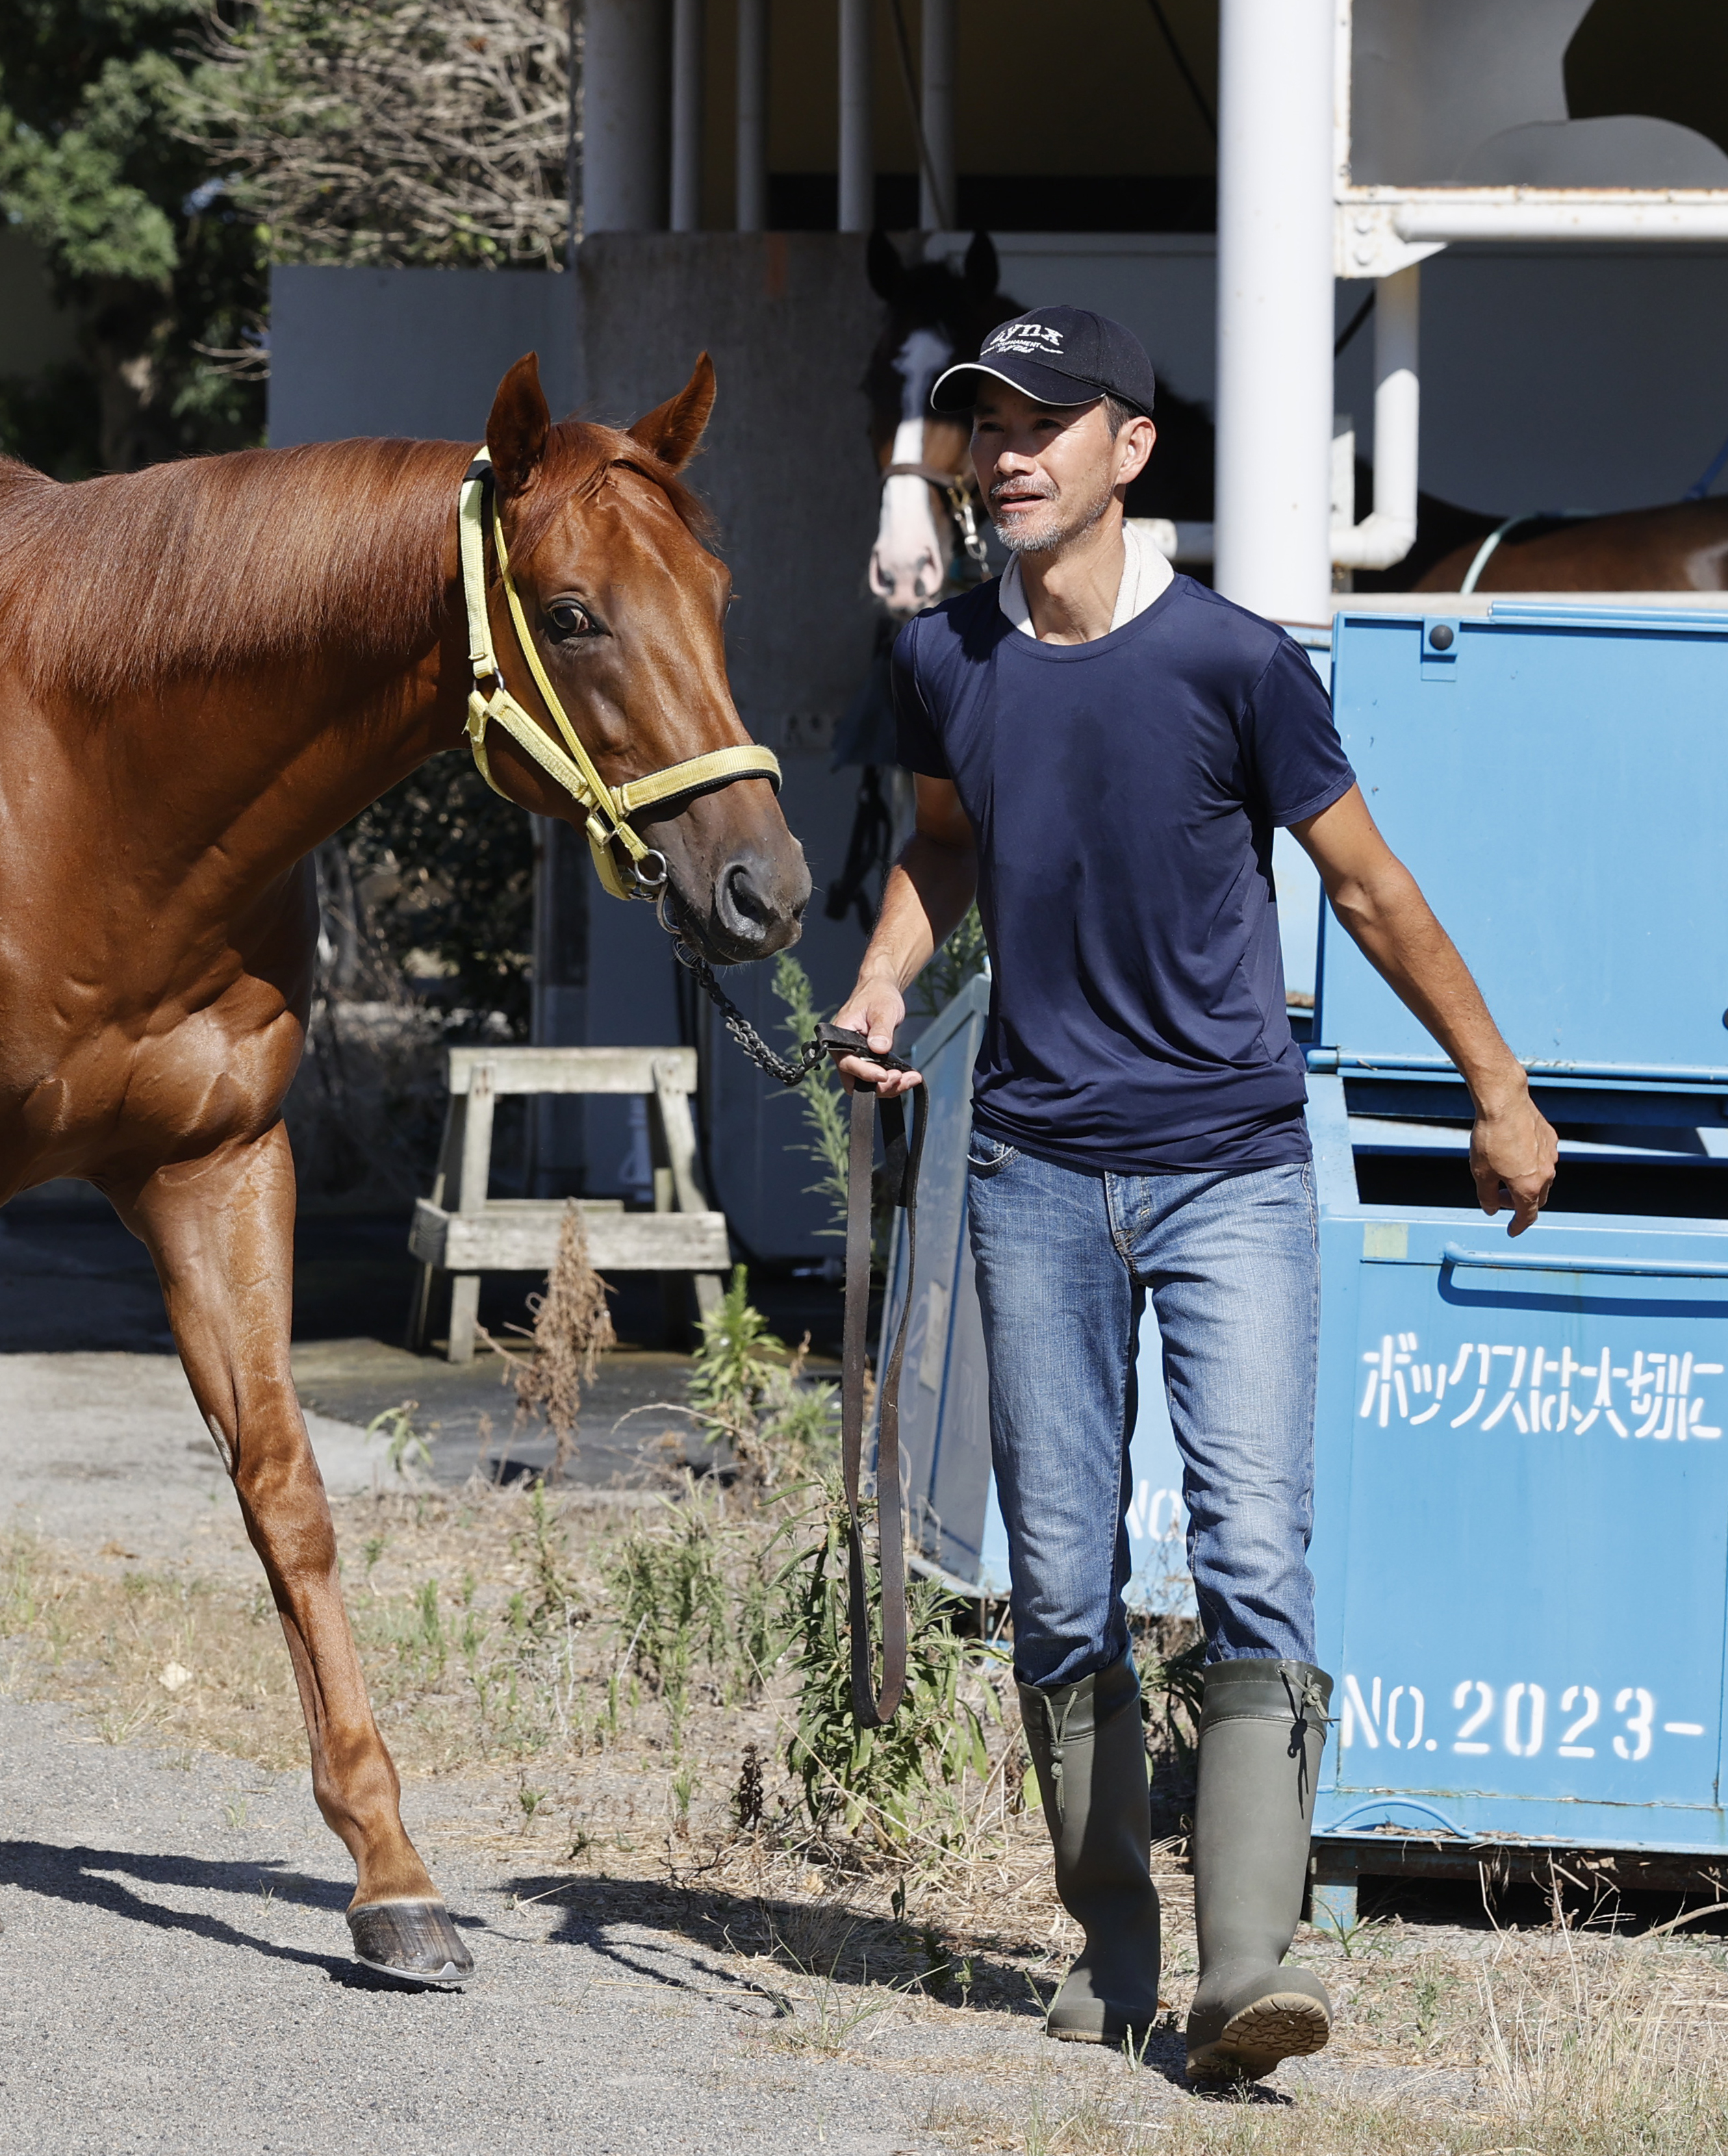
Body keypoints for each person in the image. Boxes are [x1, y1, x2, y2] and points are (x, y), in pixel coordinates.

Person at [833, 307, 1559, 2083]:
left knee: (1251, 1554)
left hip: (1230, 1168)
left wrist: (1497, 1083)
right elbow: (945, 841)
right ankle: (1110, 1940)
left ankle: (1248, 1970)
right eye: (986, 424)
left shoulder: (1233, 662)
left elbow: (1371, 890)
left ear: (1129, 449)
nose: (1009, 451)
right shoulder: (942, 661)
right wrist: (879, 985)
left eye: (1046, 422)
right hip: (1031, 1170)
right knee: (1064, 1584)